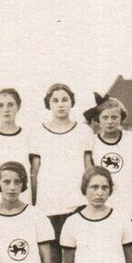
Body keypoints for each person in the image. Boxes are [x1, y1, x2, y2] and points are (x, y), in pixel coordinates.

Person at [32, 82, 92, 242]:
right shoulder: (38, 132)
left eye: (64, 99)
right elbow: (35, 172)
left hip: (78, 204)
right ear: (48, 104)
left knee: (77, 257)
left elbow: (89, 168)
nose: (60, 105)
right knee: (52, 259)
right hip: (48, 206)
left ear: (71, 102)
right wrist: (34, 203)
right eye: (55, 100)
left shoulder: (83, 131)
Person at [83, 96, 132, 230]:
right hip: (103, 204)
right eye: (105, 117)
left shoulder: (131, 139)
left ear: (121, 118)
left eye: (114, 117)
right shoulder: (91, 142)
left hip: (128, 205)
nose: (110, 121)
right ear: (98, 119)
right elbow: (89, 177)